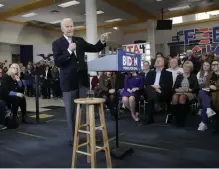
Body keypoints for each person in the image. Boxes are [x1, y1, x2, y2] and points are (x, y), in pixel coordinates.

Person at [52, 18, 110, 146]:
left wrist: (102, 41)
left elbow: (95, 48)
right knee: (71, 112)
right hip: (68, 83)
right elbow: (57, 62)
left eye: (71, 26)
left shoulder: (79, 40)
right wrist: (69, 51)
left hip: (82, 81)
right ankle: (74, 138)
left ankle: (89, 136)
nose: (70, 28)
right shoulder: (57, 43)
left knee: (87, 110)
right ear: (62, 29)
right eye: (67, 27)